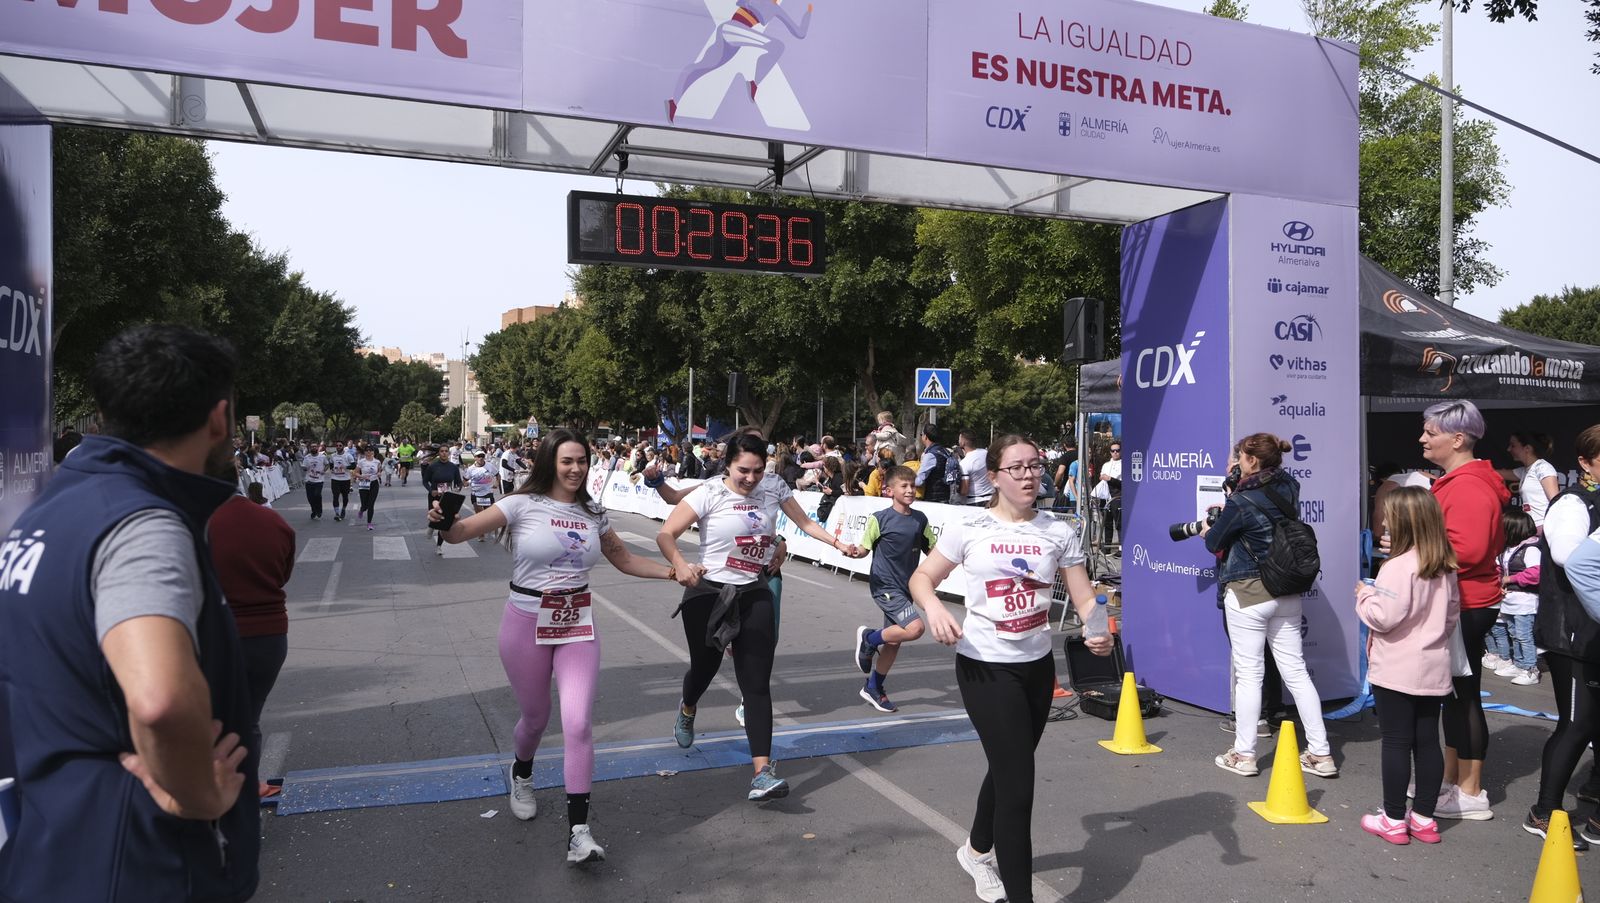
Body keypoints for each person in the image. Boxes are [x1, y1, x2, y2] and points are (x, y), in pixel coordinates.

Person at [0, 325, 258, 902]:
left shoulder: (53, 508)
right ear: (220, 418)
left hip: (59, 843)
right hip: (140, 860)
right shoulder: (142, 526)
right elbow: (159, 699)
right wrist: (194, 796)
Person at [429, 428, 676, 866]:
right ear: (550, 462)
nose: (576, 468)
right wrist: (443, 521)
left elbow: (624, 559)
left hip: (577, 623)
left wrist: (674, 572)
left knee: (578, 722)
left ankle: (578, 832)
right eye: (567, 461)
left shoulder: (594, 514)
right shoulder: (522, 504)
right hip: (525, 621)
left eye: (582, 460)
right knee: (537, 718)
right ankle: (521, 771)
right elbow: (460, 532)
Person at [908, 435, 1110, 903]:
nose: (1028, 475)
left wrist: (1097, 627)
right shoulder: (970, 526)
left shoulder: (1058, 530)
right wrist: (935, 609)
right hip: (984, 669)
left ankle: (977, 852)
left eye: (1034, 466)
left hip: (1037, 670)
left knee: (1007, 768)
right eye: (1016, 468)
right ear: (994, 476)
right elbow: (922, 577)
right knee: (1019, 789)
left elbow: (1083, 595)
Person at [654, 433, 864, 801]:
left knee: (756, 683)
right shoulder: (709, 492)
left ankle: (761, 772)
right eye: (743, 472)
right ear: (728, 465)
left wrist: (838, 545)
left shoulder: (773, 486)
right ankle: (688, 708)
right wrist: (680, 564)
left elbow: (804, 522)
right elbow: (666, 534)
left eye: (757, 470)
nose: (751, 479)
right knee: (704, 668)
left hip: (754, 591)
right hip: (709, 593)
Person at [1202, 432, 1336, 780]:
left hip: (1248, 589)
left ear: (1251, 460)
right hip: (1286, 589)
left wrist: (1227, 501)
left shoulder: (1242, 501)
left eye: (1240, 457)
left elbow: (1214, 541)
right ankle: (1320, 753)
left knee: (1249, 675)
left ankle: (1244, 754)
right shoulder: (1289, 486)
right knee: (1296, 671)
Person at [1418, 400, 1509, 820]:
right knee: (1454, 696)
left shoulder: (1469, 485)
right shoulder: (1462, 481)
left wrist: (1412, 551)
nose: (1422, 438)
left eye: (1430, 433)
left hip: (1467, 602)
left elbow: (1467, 551)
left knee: (1463, 696)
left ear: (1457, 439)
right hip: (1463, 599)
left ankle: (1470, 791)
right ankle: (1454, 781)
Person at [1355, 486, 1460, 845]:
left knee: (1396, 742)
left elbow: (1383, 617)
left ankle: (1394, 818)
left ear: (1402, 522)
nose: (1383, 522)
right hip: (1434, 665)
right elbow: (1450, 617)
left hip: (1396, 667)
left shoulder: (1396, 567)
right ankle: (1424, 818)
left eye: (1388, 516)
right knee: (1428, 741)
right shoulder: (1445, 566)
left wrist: (1364, 596)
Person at [1528, 424, 1600, 846]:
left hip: (1592, 633)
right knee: (1576, 724)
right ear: (1585, 463)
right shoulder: (1572, 503)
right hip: (1571, 634)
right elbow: (1570, 560)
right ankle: (1544, 809)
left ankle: (1592, 798)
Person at [211, 476, 296, 801]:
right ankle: (249, 786)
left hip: (214, 633)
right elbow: (284, 572)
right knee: (249, 716)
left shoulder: (191, 522)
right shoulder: (271, 519)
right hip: (269, 634)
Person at [852, 465, 936, 712]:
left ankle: (873, 687)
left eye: (913, 485)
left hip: (905, 588)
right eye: (904, 486)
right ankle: (869, 638)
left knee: (894, 642)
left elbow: (933, 550)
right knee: (915, 628)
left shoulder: (920, 519)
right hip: (884, 586)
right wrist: (852, 551)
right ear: (889, 491)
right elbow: (863, 549)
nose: (910, 490)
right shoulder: (880, 518)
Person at [1484, 509, 1541, 685]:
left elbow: (1536, 573)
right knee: (1514, 634)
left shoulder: (1530, 549)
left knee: (1524, 635)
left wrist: (1511, 579)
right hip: (1510, 600)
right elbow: (1499, 569)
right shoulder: (1506, 551)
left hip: (1525, 601)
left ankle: (1531, 668)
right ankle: (1519, 664)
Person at [1498, 431, 1561, 528]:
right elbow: (1498, 473)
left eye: (1513, 445)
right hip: (1531, 528)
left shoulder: (1543, 468)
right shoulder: (1524, 471)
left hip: (1545, 526)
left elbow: (1555, 501)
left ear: (1527, 448)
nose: (1508, 449)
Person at [423, 445, 464, 556]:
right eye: (442, 451)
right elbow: (425, 481)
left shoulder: (453, 467)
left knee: (443, 521)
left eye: (446, 451)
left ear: (449, 453)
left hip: (447, 497)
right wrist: (431, 490)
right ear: (439, 453)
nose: (444, 453)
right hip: (434, 496)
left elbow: (458, 482)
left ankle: (439, 546)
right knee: (435, 517)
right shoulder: (433, 466)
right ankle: (431, 526)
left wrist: (458, 488)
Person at [915, 425, 960, 504]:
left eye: (921, 435)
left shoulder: (930, 455)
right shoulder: (946, 451)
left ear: (925, 437)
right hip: (946, 496)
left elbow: (919, 481)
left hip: (933, 499)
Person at [464, 451, 499, 541]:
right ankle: (481, 535)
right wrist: (467, 484)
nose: (481, 458)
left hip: (488, 493)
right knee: (479, 515)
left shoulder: (489, 465)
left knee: (489, 515)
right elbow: (465, 480)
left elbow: (498, 475)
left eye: (482, 456)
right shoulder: (471, 469)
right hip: (476, 494)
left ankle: (495, 530)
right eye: (478, 456)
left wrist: (497, 483)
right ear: (475, 458)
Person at [958, 429, 994, 507]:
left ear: (963, 442)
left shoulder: (964, 463)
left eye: (959, 439)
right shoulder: (986, 453)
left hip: (975, 501)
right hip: (992, 498)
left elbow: (964, 490)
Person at [327, 441, 353, 522]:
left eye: (340, 445)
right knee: (335, 496)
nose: (338, 447)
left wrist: (346, 466)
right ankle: (337, 514)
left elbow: (354, 465)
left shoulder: (348, 455)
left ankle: (344, 509)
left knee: (345, 497)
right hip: (335, 479)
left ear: (343, 446)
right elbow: (331, 463)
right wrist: (332, 469)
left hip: (345, 479)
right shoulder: (332, 456)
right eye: (337, 445)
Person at [302, 441, 328, 521]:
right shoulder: (307, 457)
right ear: (310, 448)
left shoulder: (322, 457)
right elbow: (304, 467)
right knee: (310, 498)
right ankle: (314, 510)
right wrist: (305, 468)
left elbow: (327, 464)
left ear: (317, 448)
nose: (313, 448)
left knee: (317, 495)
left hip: (319, 480)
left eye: (315, 446)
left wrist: (324, 470)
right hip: (309, 480)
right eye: (312, 447)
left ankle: (319, 510)